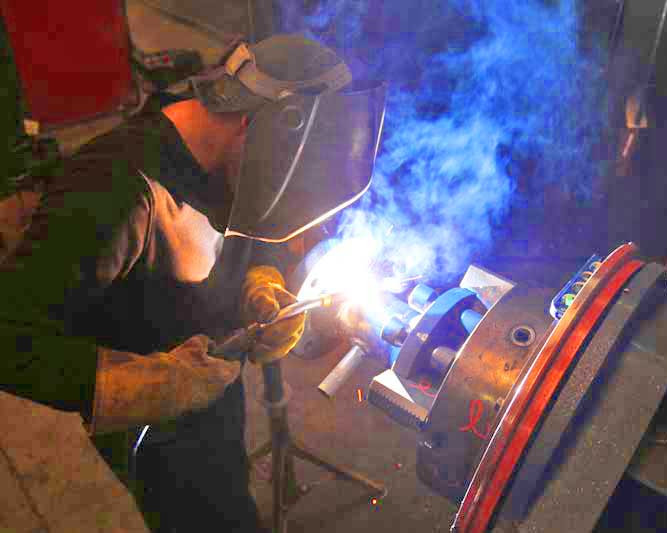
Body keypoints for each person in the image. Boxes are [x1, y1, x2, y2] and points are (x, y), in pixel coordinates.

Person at [0, 33, 386, 532]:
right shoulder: (114, 190)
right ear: (255, 126)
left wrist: (258, 281)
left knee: (229, 489)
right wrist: (138, 385)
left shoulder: (235, 163)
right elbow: (8, 337)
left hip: (212, 388)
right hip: (151, 435)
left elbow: (254, 228)